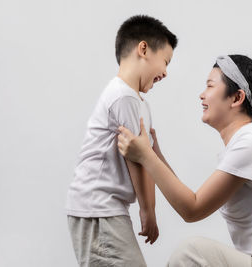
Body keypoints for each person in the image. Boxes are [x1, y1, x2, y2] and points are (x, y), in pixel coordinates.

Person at [117, 55, 252, 267]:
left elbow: (192, 208)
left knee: (191, 253)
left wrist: (146, 156)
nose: (202, 95)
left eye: (210, 86)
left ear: (236, 98)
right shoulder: (242, 144)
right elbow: (189, 199)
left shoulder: (251, 143)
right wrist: (154, 153)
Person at [65, 15, 177, 267]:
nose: (166, 73)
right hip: (99, 207)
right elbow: (136, 160)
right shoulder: (124, 97)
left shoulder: (136, 101)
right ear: (144, 49)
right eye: (165, 62)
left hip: (105, 208)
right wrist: (148, 210)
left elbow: (150, 158)